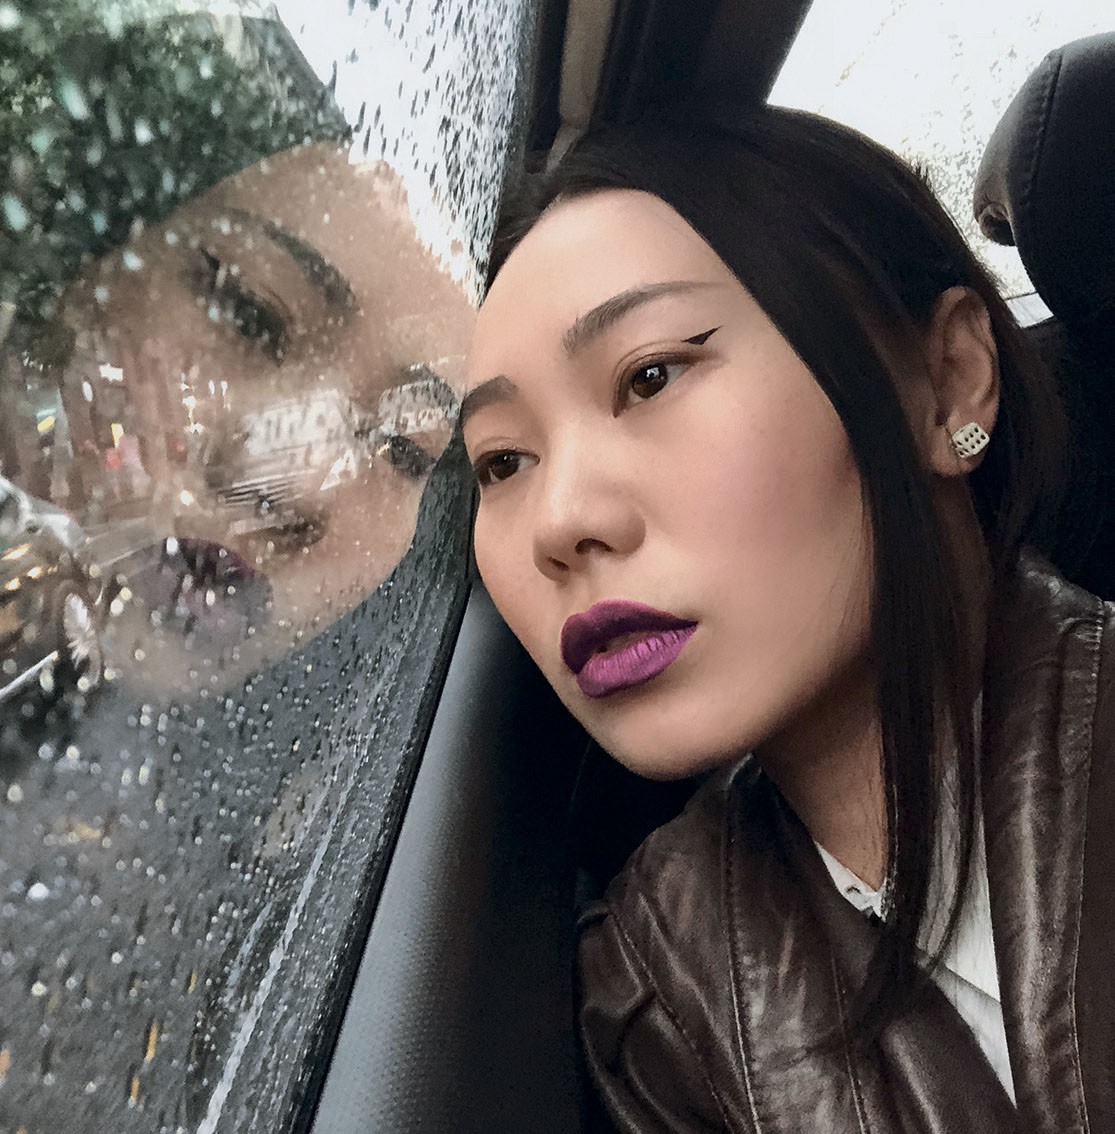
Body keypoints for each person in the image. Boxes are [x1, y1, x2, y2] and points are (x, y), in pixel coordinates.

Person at [462, 104, 1114, 1132]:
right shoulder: (653, 1006)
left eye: (648, 376)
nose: (558, 521)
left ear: (947, 379)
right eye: (501, 461)